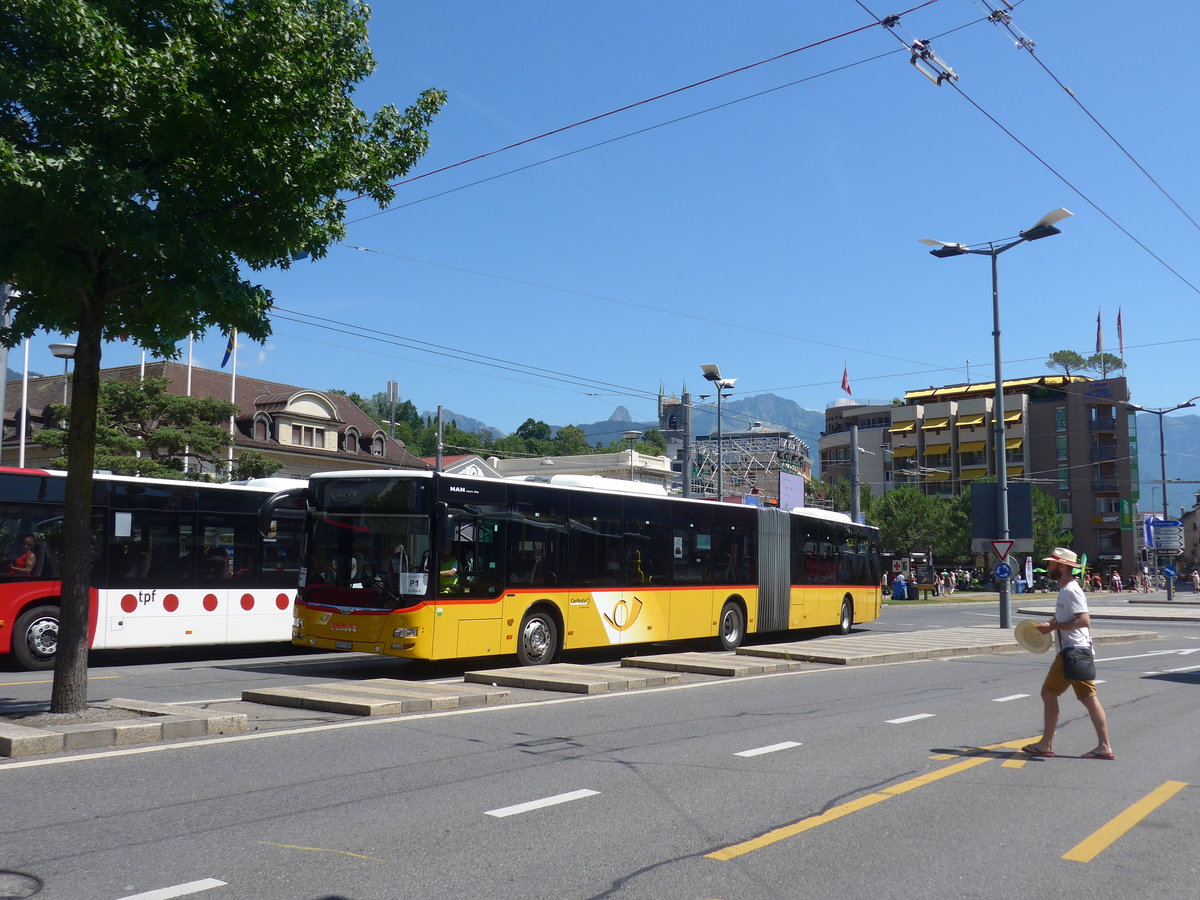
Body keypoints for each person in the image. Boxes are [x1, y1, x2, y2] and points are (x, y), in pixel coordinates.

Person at [1022, 547, 1114, 760]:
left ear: (1062, 566)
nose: (1048, 567)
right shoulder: (1065, 589)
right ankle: (1045, 743)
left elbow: (1083, 620)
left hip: (1075, 652)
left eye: (1051, 564)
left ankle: (1104, 746)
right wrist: (1050, 624)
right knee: (1049, 693)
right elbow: (1064, 616)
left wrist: (1053, 627)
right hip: (1068, 653)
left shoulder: (1071, 590)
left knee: (1088, 698)